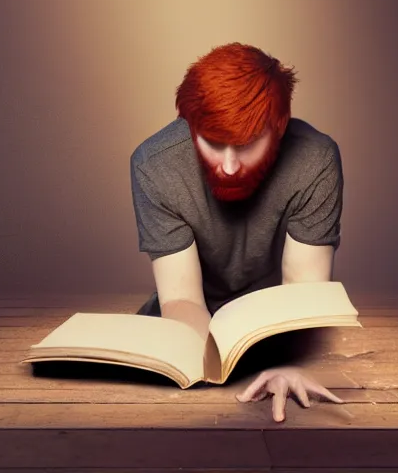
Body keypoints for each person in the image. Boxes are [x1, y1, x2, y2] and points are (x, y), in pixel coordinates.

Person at [131, 42, 345, 423]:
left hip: (276, 323)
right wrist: (212, 364)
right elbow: (180, 298)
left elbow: (304, 287)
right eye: (212, 143)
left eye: (246, 146)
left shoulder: (315, 158)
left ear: (278, 129)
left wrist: (289, 362)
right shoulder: (154, 164)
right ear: (191, 127)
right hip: (187, 326)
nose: (229, 166)